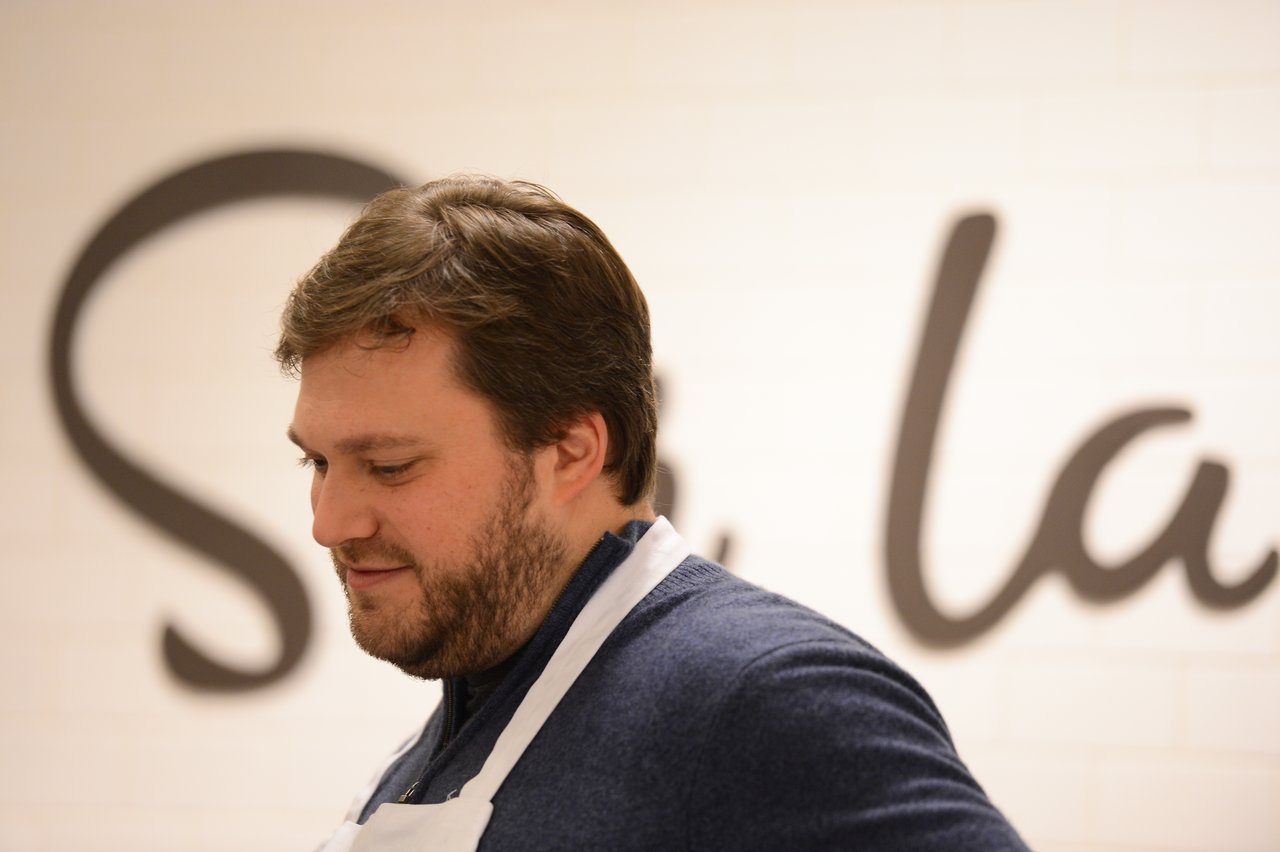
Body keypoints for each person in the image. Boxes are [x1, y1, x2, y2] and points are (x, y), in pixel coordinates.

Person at [278, 175, 1028, 851]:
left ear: (571, 451)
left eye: (390, 467)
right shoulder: (449, 737)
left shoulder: (765, 700)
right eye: (318, 462)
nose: (330, 522)